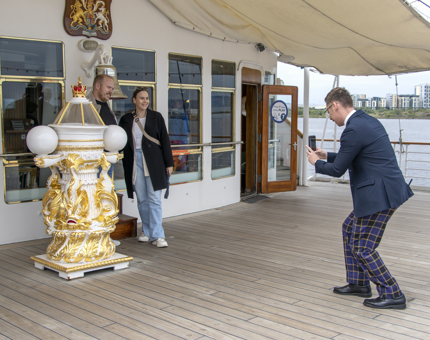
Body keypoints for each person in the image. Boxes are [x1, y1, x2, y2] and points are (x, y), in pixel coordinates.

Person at [306, 87, 413, 310]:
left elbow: (337, 171)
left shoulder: (353, 128)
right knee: (349, 228)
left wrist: (315, 163)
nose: (330, 116)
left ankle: (392, 292)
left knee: (363, 247)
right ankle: (359, 283)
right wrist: (326, 155)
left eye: (328, 111)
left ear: (335, 105)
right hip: (385, 190)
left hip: (380, 195)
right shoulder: (365, 121)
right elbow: (351, 157)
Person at [119, 87, 174, 248]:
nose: (145, 101)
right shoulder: (126, 119)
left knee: (154, 199)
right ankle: (147, 231)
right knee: (142, 199)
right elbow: (121, 140)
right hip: (134, 161)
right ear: (134, 100)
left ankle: (158, 235)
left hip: (154, 161)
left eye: (147, 98)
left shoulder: (156, 117)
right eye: (141, 98)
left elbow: (164, 139)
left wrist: (169, 163)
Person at [87, 74, 117, 179]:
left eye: (112, 89)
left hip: (108, 158)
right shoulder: (86, 105)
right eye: (108, 87)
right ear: (97, 86)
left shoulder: (106, 105)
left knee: (105, 191)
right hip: (93, 159)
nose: (111, 91)